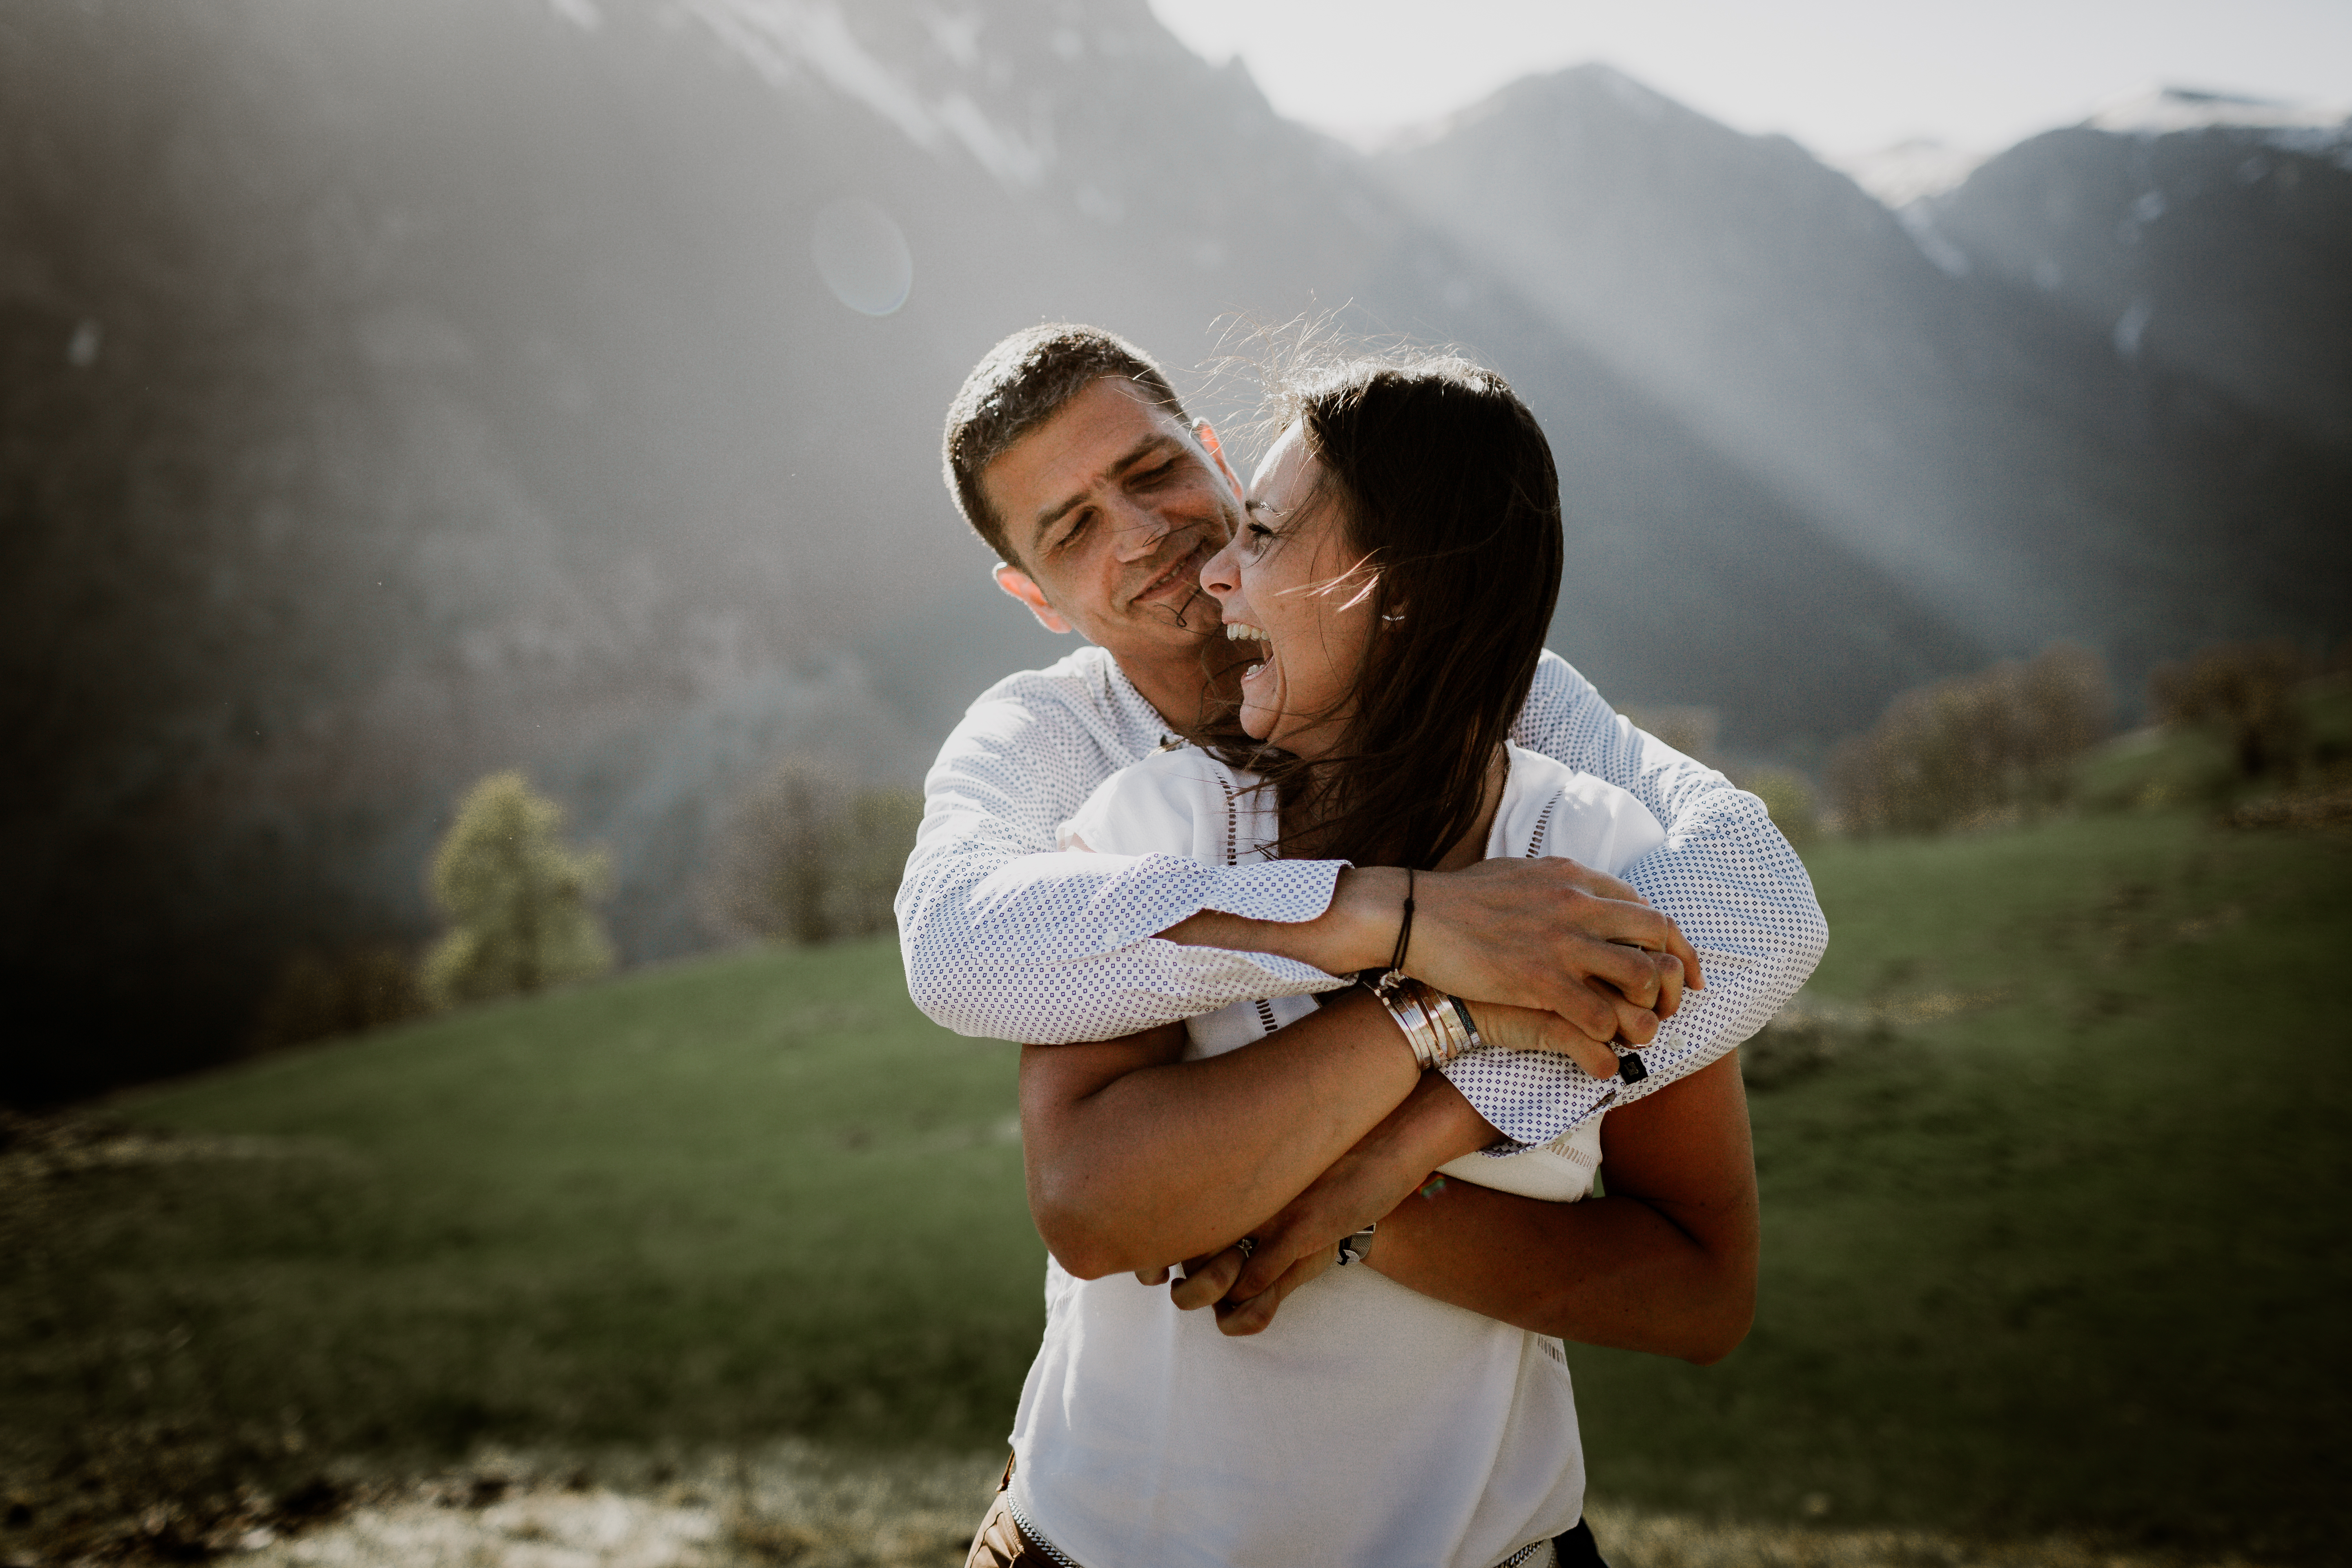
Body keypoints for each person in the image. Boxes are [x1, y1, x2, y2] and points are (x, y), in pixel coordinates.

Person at [899, 326, 1824, 1564]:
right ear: (1036, 598)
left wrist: (1419, 1128)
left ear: (1217, 457)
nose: (1144, 535)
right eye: (1070, 530)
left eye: (1154, 470)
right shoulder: (1081, 774)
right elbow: (958, 952)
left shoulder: (1525, 729)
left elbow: (1761, 906)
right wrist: (1406, 931)